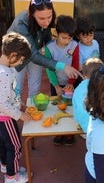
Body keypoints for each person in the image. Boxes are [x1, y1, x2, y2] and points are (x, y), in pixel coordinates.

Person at [7, 0, 81, 98]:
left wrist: (49, 50)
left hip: (36, 53)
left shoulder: (47, 22)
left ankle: (32, 111)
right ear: (32, 15)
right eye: (41, 18)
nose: (46, 22)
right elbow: (32, 54)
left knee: (35, 88)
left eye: (49, 17)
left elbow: (47, 39)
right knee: (16, 89)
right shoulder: (21, 23)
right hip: (18, 56)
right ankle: (16, 112)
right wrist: (63, 66)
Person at [0, 32, 32, 183]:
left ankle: (5, 166)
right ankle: (12, 177)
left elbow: (4, 94)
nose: (21, 63)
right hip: (6, 116)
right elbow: (3, 103)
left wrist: (19, 102)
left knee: (3, 142)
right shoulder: (4, 74)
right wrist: (19, 114)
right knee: (15, 146)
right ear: (13, 55)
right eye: (21, 59)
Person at [44, 15, 79, 146]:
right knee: (58, 107)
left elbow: (75, 65)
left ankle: (69, 133)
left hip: (70, 82)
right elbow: (49, 68)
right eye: (64, 37)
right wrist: (56, 86)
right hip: (56, 83)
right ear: (57, 33)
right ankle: (59, 132)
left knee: (70, 108)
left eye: (70, 38)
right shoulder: (50, 47)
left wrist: (71, 83)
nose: (67, 41)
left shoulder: (75, 45)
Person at [72, 57, 103, 133]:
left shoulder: (78, 88)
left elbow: (75, 105)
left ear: (84, 76)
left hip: (83, 125)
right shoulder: (103, 86)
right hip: (100, 126)